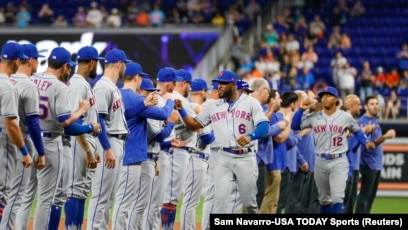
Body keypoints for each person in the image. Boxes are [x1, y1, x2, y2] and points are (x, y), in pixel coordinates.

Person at [23, 47, 100, 230]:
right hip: (50, 142)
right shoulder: (59, 86)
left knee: (25, 196)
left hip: (28, 140)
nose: (70, 71)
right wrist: (89, 125)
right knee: (49, 198)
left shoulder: (31, 80)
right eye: (68, 67)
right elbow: (67, 124)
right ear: (65, 66)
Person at [174, 70, 270, 214]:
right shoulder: (213, 106)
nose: (220, 86)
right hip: (222, 157)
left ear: (233, 84)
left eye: (224, 83)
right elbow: (194, 125)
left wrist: (251, 136)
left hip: (245, 157)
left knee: (249, 203)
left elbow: (264, 125)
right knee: (220, 201)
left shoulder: (251, 103)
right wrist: (182, 111)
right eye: (219, 83)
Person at [291, 86, 375, 214]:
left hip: (338, 160)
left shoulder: (345, 117)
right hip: (320, 160)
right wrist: (301, 110)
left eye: (328, 96)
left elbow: (357, 130)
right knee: (324, 200)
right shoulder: (314, 117)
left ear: (336, 99)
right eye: (323, 96)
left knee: (337, 197)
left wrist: (366, 141)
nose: (324, 98)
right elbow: (295, 125)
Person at [112, 63, 176, 230]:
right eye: (141, 77)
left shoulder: (118, 94)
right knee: (127, 204)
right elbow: (163, 114)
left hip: (124, 151)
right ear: (136, 78)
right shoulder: (133, 97)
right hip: (131, 154)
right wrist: (169, 103)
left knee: (128, 204)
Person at [86, 49, 131, 230]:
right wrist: (107, 148)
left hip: (116, 142)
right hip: (108, 142)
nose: (126, 68)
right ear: (119, 64)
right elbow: (99, 120)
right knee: (101, 195)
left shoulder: (112, 87)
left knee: (109, 197)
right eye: (125, 64)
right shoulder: (103, 86)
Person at [63, 46, 104, 229]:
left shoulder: (82, 83)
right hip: (77, 144)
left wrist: (92, 148)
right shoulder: (78, 85)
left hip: (85, 143)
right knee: (74, 189)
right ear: (93, 62)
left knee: (80, 192)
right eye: (98, 63)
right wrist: (88, 150)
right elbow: (73, 121)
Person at [143, 67, 186, 230]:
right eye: (174, 82)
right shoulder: (157, 100)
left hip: (158, 153)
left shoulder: (160, 99)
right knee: (152, 205)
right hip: (156, 154)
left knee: (153, 203)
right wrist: (172, 122)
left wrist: (169, 143)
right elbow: (157, 135)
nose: (175, 85)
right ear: (169, 83)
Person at [0, 42, 33, 225]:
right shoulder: (7, 86)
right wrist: (24, 152)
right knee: (2, 193)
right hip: (3, 140)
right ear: (18, 61)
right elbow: (11, 124)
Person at [160, 69, 196, 229]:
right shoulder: (178, 99)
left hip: (166, 148)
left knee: (164, 197)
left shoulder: (162, 97)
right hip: (175, 150)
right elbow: (196, 127)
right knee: (169, 198)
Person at [181, 78, 214, 230]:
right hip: (195, 156)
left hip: (198, 157)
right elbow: (207, 138)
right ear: (202, 92)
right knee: (190, 202)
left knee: (191, 201)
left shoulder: (193, 106)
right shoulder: (194, 107)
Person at [355, 95, 396, 214]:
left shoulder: (374, 120)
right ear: (366, 107)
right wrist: (386, 136)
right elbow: (370, 145)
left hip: (376, 164)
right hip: (368, 164)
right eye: (372, 104)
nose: (375, 106)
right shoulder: (363, 122)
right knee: (364, 196)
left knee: (370, 198)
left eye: (376, 103)